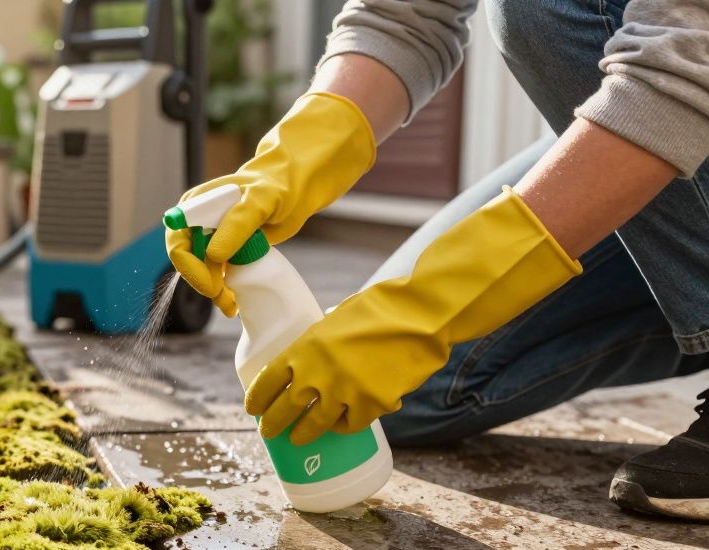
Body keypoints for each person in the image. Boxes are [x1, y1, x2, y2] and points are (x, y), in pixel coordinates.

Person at [166, 0, 709, 520]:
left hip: (681, 84)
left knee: (538, 7)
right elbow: (403, 17)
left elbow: (685, 53)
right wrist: (286, 164)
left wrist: (432, 306)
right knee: (404, 394)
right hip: (671, 139)